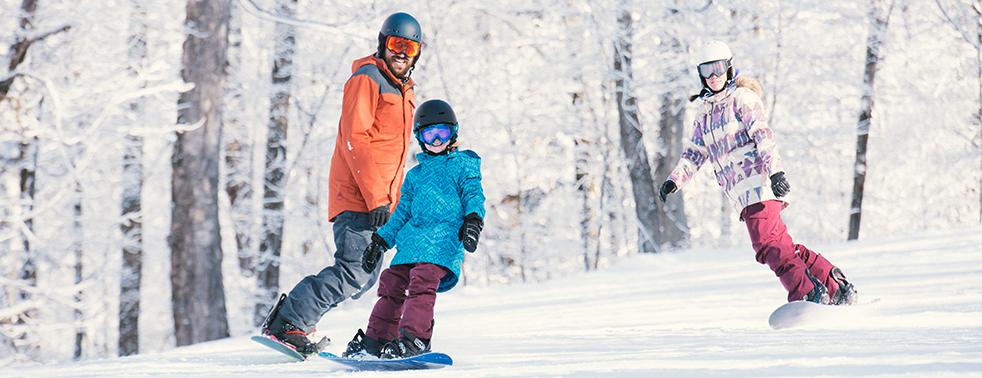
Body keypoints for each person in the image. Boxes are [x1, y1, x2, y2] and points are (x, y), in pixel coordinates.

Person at [258, 12, 423, 356]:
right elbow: (356, 140)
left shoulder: (403, 90)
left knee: (362, 278)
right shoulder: (368, 79)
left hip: (380, 203)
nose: (401, 53)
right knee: (353, 272)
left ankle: (297, 318)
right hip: (360, 198)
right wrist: (377, 198)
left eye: (409, 48)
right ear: (383, 44)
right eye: (396, 44)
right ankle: (289, 321)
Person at [659, 40, 858, 305]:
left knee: (769, 246)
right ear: (701, 74)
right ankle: (835, 286)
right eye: (707, 70)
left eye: (718, 68)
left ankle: (807, 293)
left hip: (760, 185)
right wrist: (674, 180)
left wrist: (776, 173)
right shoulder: (704, 114)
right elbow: (695, 153)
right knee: (782, 246)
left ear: (729, 68)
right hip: (742, 195)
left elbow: (763, 137)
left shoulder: (742, 99)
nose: (714, 76)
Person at [341, 99, 486, 359]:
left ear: (453, 133)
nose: (437, 140)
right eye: (430, 134)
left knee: (422, 279)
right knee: (391, 282)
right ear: (420, 137)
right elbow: (401, 214)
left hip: (444, 239)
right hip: (412, 242)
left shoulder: (464, 165)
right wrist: (380, 241)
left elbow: (474, 194)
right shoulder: (415, 176)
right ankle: (377, 340)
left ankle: (415, 339)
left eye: (443, 132)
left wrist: (473, 221)